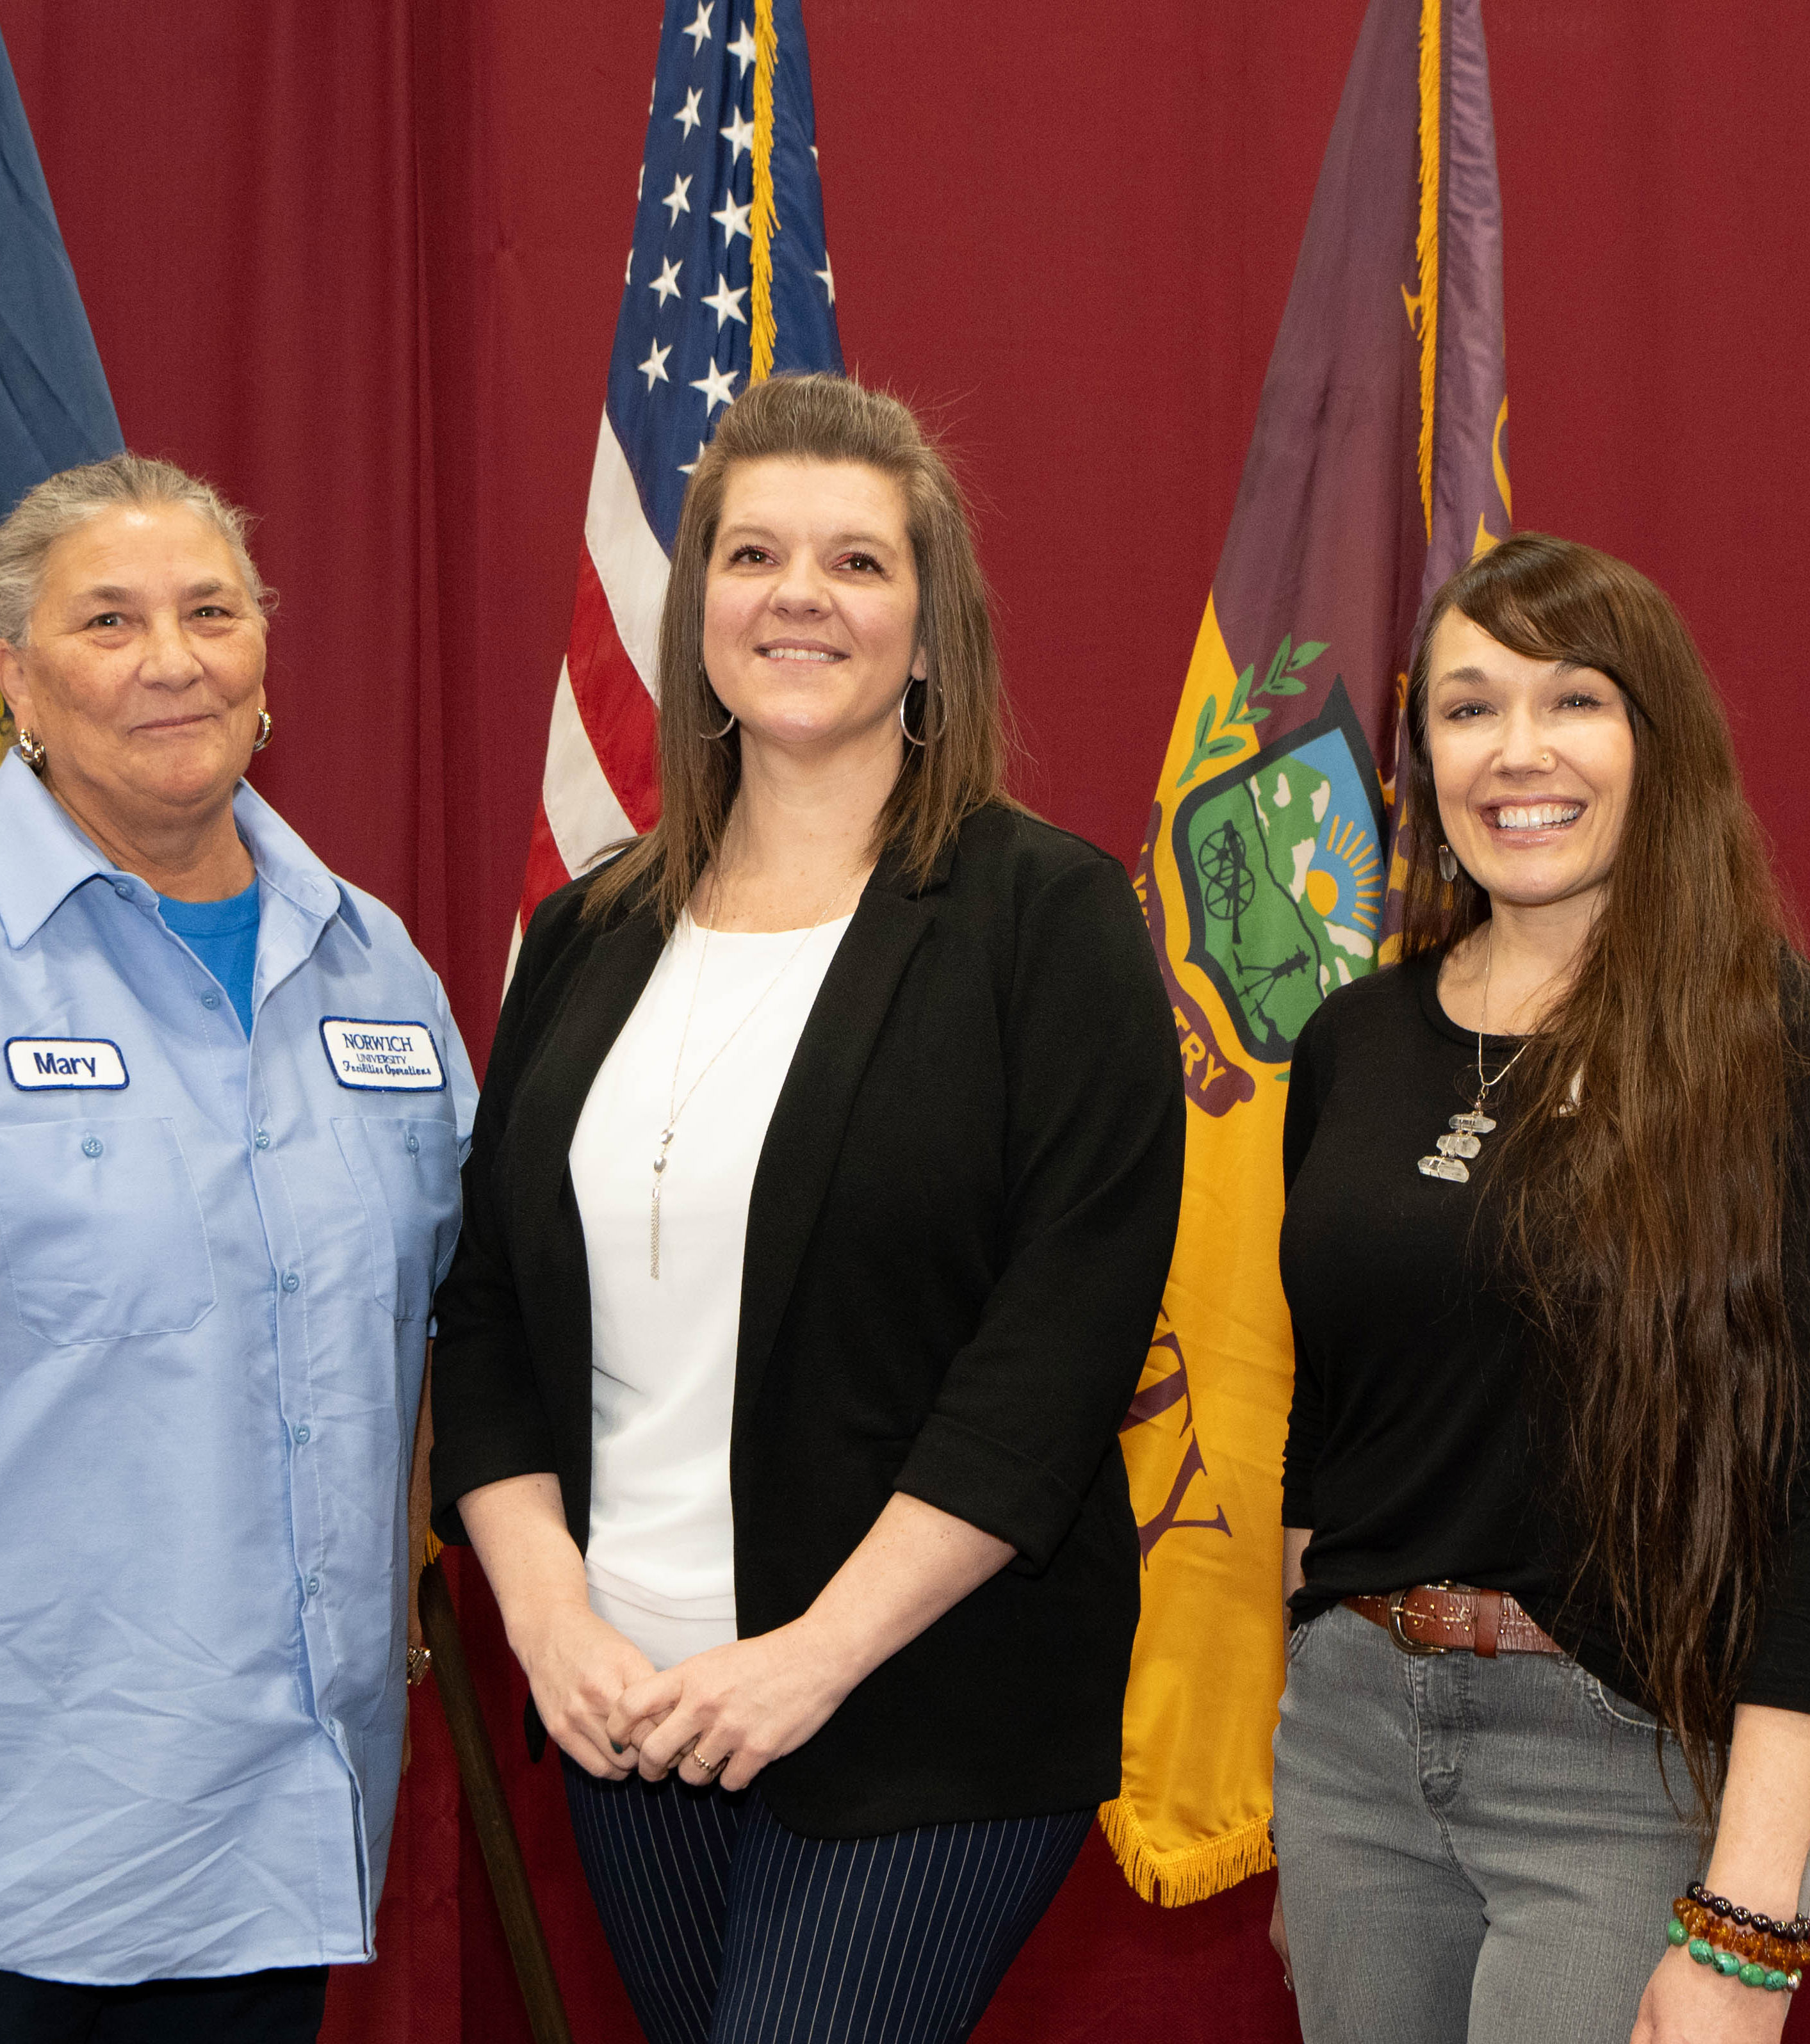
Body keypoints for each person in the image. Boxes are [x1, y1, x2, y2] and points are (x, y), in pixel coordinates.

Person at [428, 373, 1184, 2044]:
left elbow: (1054, 1355)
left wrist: (812, 1658)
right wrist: (549, 1623)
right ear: (696, 604)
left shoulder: (1042, 920)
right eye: (754, 554)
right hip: (633, 1723)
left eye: (857, 563)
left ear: (931, 637)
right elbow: (484, 1313)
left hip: (924, 1712)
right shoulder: (588, 940)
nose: (798, 597)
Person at [0, 453, 477, 2040]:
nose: (173, 658)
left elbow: (443, 1329)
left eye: (211, 610)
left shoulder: (379, 975)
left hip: (270, 1850)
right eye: (108, 619)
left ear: (265, 657)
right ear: (11, 674)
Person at [1268, 532, 1810, 2044]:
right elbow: (1334, 1413)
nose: (1519, 752)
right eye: (1467, 707)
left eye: (1574, 701)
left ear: (1658, 739)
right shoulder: (1352, 1044)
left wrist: (1750, 1930)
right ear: (1420, 756)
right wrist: (1298, 1744)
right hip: (1351, 1756)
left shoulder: (1770, 1045)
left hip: (1618, 1761)